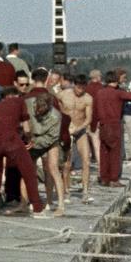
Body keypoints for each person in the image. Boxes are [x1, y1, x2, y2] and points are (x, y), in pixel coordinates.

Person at [0, 87, 44, 215]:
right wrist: (30, 139)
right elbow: (26, 127)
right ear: (16, 95)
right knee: (29, 172)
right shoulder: (20, 101)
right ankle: (37, 208)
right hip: (11, 139)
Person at [26, 70, 65, 214]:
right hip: (32, 137)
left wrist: (35, 143)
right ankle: (26, 202)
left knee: (53, 168)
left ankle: (59, 204)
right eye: (37, 108)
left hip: (49, 139)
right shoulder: (28, 103)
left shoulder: (56, 116)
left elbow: (51, 137)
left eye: (41, 110)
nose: (38, 111)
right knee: (27, 169)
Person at [57, 73, 93, 202]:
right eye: (78, 88)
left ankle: (85, 191)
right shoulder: (64, 94)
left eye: (83, 88)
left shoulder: (88, 99)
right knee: (67, 164)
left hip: (80, 130)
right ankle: (66, 191)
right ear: (74, 85)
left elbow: (88, 119)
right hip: (66, 130)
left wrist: (77, 128)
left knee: (86, 161)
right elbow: (56, 104)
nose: (80, 91)